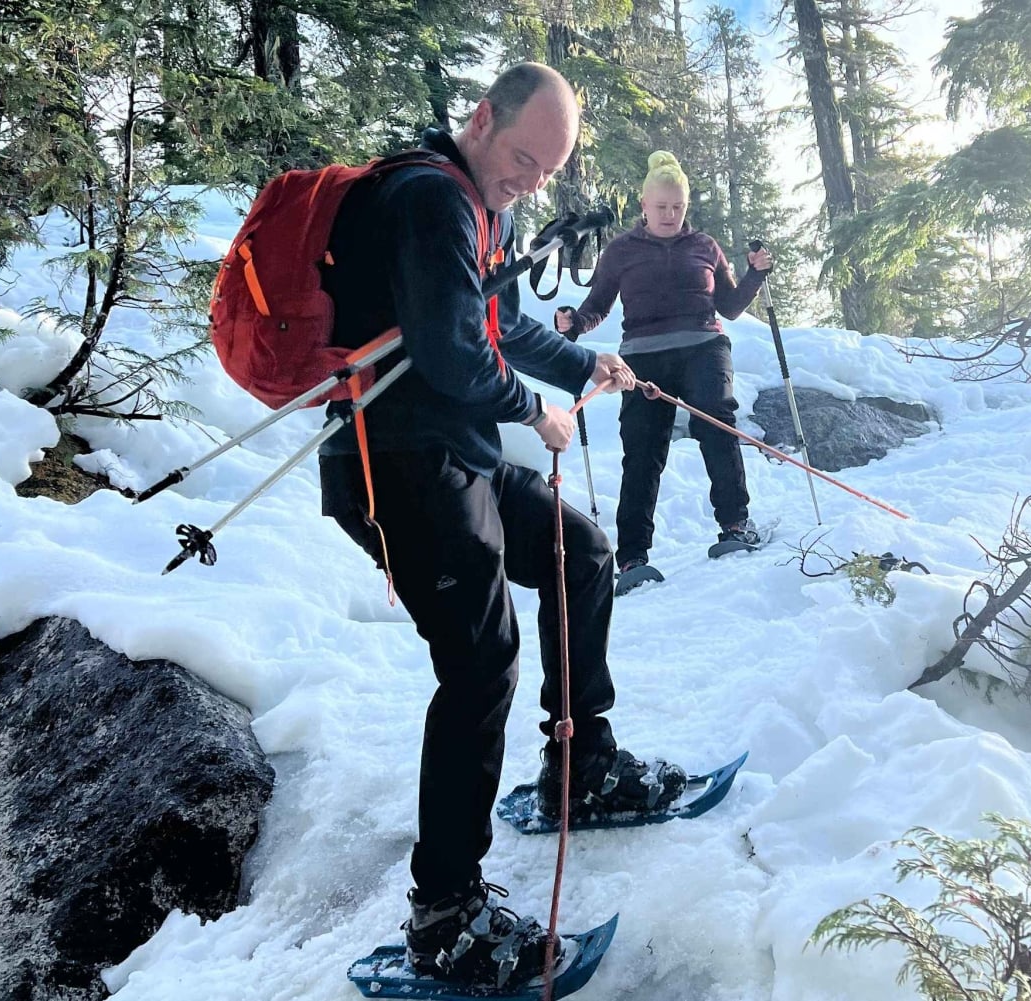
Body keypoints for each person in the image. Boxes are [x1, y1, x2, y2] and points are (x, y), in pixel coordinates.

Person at [316, 64, 686, 988]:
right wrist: (538, 413)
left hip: (454, 454)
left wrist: (584, 366)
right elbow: (451, 356)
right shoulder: (427, 201)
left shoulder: (490, 209)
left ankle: (579, 764)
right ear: (482, 119)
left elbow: (500, 324)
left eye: (546, 170)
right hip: (391, 467)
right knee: (480, 659)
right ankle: (444, 914)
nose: (529, 180)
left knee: (582, 551)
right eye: (522, 156)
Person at [556, 151, 774, 576]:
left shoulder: (704, 246)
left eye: (677, 207)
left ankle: (735, 524)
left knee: (716, 422)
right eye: (661, 207)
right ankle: (633, 556)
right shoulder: (621, 251)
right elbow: (597, 305)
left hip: (704, 347)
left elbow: (728, 307)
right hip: (642, 357)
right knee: (642, 451)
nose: (670, 215)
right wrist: (573, 324)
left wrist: (755, 275)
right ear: (643, 206)